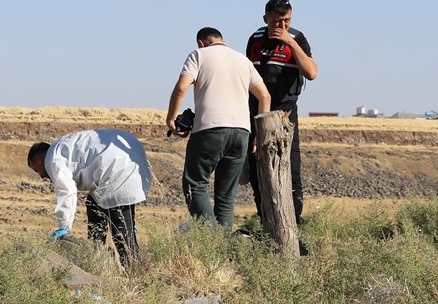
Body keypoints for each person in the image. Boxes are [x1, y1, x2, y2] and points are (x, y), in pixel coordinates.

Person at [166, 27, 271, 231]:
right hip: (241, 133)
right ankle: (222, 249)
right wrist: (259, 134)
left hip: (209, 129)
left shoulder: (199, 54)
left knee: (195, 184)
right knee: (226, 195)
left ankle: (213, 239)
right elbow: (265, 96)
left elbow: (181, 88)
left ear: (201, 42)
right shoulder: (243, 60)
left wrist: (171, 118)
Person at [27, 130, 152, 266]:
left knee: (121, 228)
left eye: (36, 170)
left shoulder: (53, 159)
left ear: (39, 160)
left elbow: (67, 191)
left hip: (117, 168)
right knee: (94, 204)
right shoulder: (61, 147)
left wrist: (64, 226)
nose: (41, 176)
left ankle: (133, 270)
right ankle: (95, 258)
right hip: (129, 158)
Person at [245, 0, 318, 222]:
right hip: (256, 111)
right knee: (258, 167)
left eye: (286, 20)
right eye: (277, 21)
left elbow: (312, 73)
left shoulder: (297, 37)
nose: (282, 26)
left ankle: (294, 220)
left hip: (285, 112)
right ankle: (265, 218)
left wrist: (291, 43)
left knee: (290, 167)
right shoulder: (256, 38)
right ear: (266, 19)